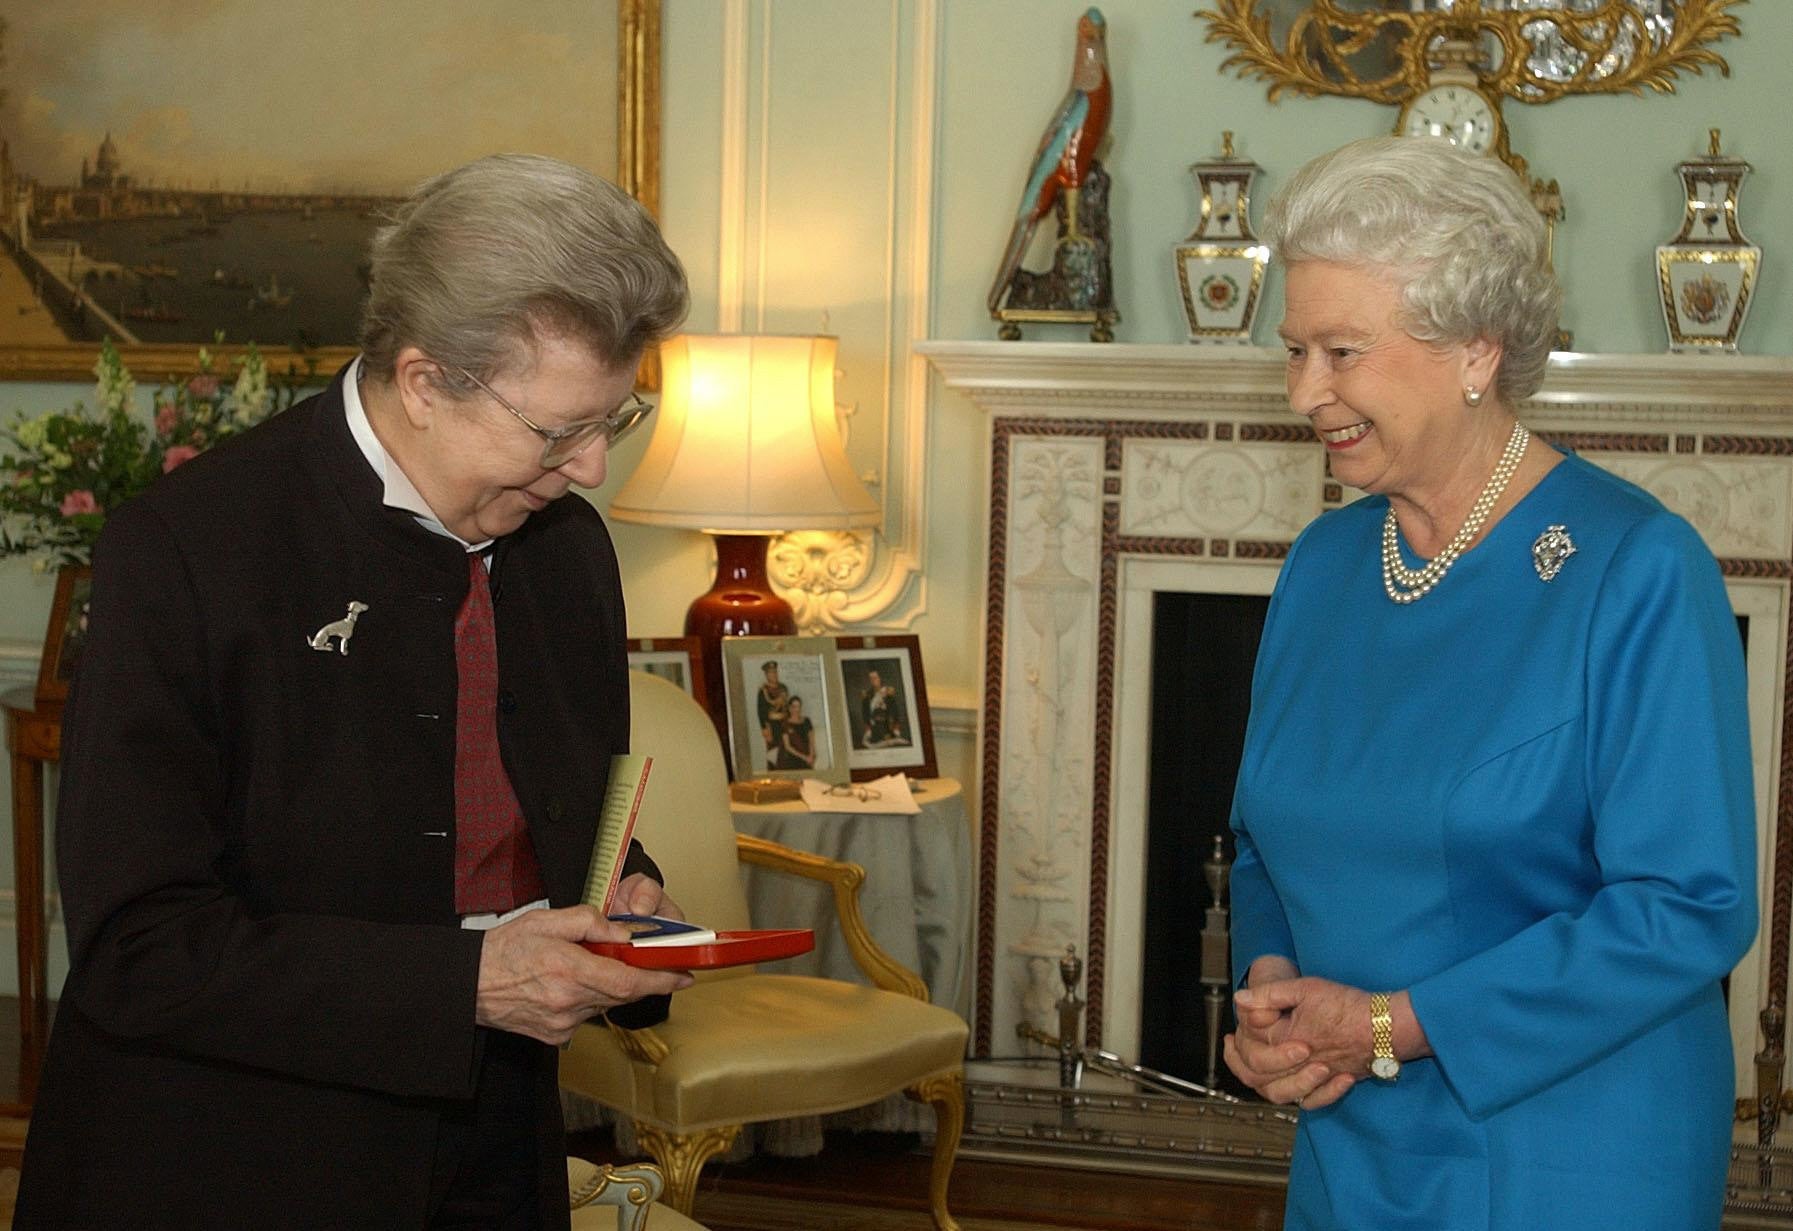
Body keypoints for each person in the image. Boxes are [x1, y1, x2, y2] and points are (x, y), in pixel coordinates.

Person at [17, 154, 695, 1229]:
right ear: (425, 382)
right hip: (235, 1161)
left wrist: (628, 905)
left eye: (615, 418)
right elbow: (138, 948)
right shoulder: (191, 549)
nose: (591, 470)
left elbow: (553, 816)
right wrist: (467, 981)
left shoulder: (567, 553)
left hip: (499, 1144)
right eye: (557, 430)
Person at [1222, 136, 1756, 1230]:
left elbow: (1686, 907)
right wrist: (1274, 989)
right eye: (1293, 352)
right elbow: (1262, 839)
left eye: (1339, 351)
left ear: (1474, 349)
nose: (1301, 393)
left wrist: (1391, 1025)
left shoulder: (1634, 568)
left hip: (1571, 1147)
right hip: (1349, 1134)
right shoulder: (1322, 565)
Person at [757, 659, 792, 769]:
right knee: (773, 753)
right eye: (771, 673)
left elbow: (786, 707)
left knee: (785, 752)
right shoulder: (763, 691)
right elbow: (761, 711)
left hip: (784, 723)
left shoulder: (783, 688)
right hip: (771, 725)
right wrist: (764, 728)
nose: (774, 675)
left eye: (775, 672)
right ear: (767, 675)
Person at [780, 695, 818, 769]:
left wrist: (811, 755)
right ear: (790, 708)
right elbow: (787, 747)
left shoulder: (807, 721)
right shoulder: (785, 724)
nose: (797, 709)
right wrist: (804, 757)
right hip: (794, 758)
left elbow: (811, 741)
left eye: (798, 706)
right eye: (794, 707)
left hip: (808, 756)